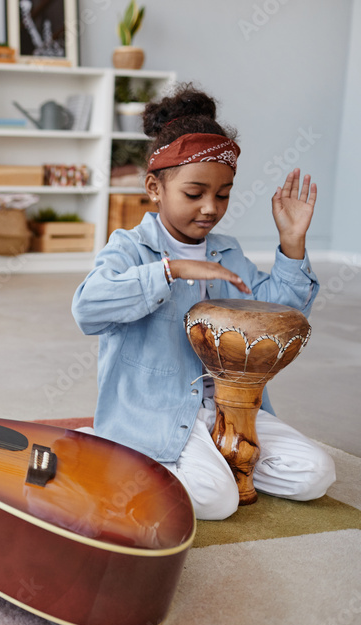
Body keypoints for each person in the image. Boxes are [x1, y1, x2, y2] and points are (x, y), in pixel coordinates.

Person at [71, 84, 334, 521]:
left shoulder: (227, 252)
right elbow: (87, 308)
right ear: (155, 188)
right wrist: (171, 270)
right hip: (159, 411)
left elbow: (279, 316)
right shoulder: (130, 246)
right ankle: (116, 447)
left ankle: (211, 457)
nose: (211, 208)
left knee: (315, 476)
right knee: (216, 500)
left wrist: (291, 243)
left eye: (223, 193)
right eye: (194, 194)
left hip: (233, 407)